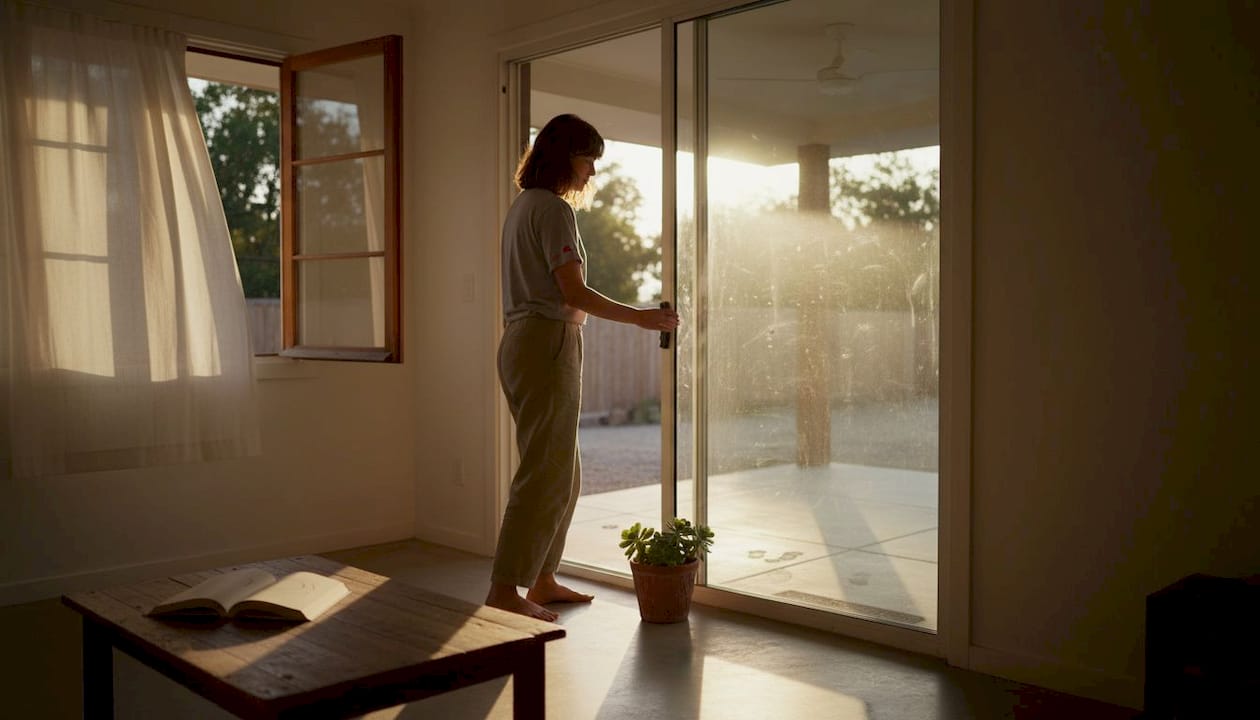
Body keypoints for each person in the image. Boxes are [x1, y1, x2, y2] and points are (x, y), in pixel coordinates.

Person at [487, 114, 679, 621]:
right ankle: (504, 590)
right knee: (543, 474)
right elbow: (573, 292)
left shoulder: (524, 206)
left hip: (527, 342)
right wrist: (640, 317)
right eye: (587, 159)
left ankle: (542, 578)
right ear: (563, 156)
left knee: (562, 473)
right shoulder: (552, 209)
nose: (592, 171)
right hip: (545, 342)